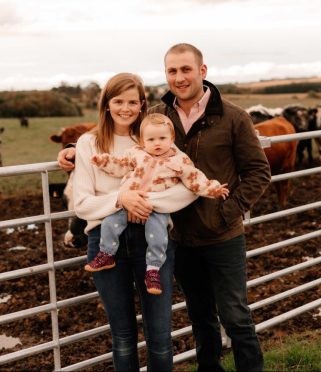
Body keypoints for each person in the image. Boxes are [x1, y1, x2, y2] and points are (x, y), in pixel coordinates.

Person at [58, 43, 271, 371]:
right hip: (174, 236)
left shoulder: (229, 117)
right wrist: (74, 148)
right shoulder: (159, 119)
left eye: (186, 69)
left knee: (233, 315)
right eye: (172, 71)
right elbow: (113, 144)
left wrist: (230, 210)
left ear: (202, 70)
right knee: (197, 318)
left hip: (212, 232)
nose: (179, 77)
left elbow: (246, 172)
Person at [71, 72, 198, 371]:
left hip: (152, 240)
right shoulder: (88, 143)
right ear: (106, 104)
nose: (125, 108)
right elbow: (82, 204)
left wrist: (143, 202)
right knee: (123, 336)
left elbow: (189, 186)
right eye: (118, 101)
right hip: (104, 242)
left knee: (160, 335)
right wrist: (120, 199)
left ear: (142, 105)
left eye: (132, 102)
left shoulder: (153, 138)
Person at [85, 112, 230, 297]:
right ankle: (106, 254)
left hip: (157, 208)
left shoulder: (180, 160)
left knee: (158, 236)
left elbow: (195, 179)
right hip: (129, 202)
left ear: (172, 138)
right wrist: (103, 161)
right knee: (108, 224)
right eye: (151, 139)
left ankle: (152, 270)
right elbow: (119, 165)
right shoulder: (136, 153)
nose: (157, 143)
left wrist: (213, 189)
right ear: (142, 141)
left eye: (162, 138)